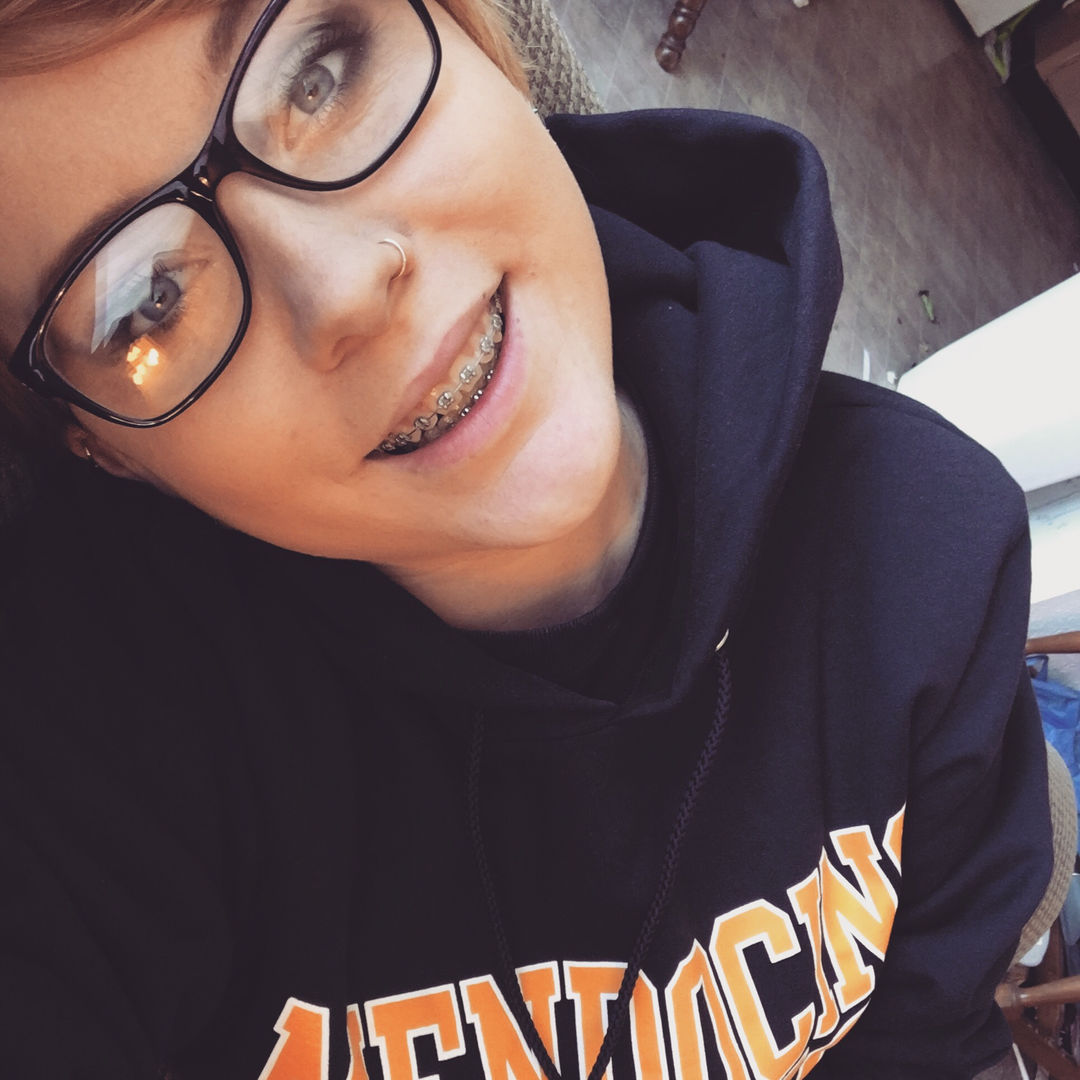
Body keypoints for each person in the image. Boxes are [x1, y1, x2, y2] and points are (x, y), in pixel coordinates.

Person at [0, 0, 1054, 1077]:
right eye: (149, 302)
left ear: (475, 34)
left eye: (317, 75)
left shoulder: (928, 554)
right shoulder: (83, 765)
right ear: (104, 450)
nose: (347, 287)